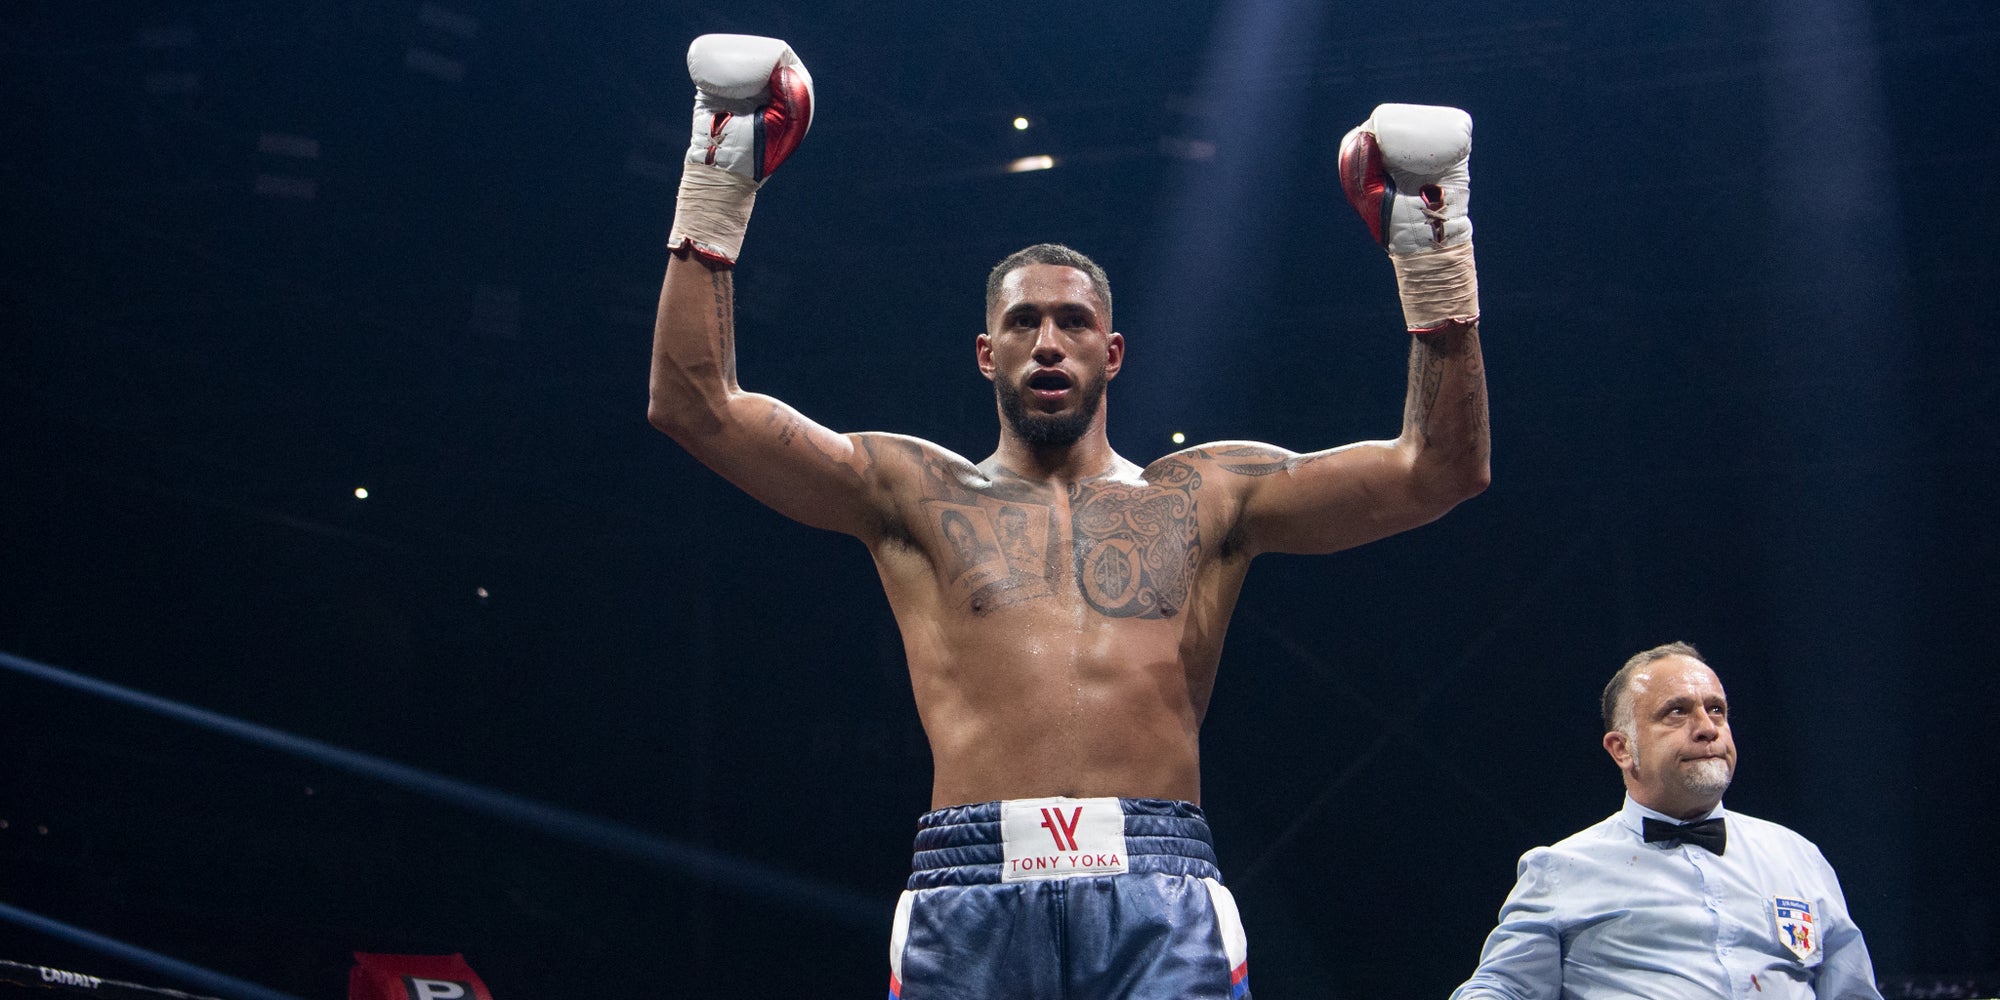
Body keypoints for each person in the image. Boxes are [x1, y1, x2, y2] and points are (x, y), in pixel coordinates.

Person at [648, 34, 1490, 1000]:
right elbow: (694, 405)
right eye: (1023, 323)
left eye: (1075, 322)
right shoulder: (912, 492)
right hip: (970, 884)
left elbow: (1441, 470)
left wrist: (1436, 259)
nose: (1049, 341)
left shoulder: (1208, 494)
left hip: (1157, 882)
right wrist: (716, 181)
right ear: (985, 353)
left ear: (1114, 352)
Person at [1448, 642, 1883, 1000]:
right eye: (1677, 712)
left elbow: (1853, 993)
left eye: (1716, 710)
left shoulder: (1797, 856)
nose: (1707, 728)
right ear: (1622, 749)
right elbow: (1502, 988)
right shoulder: (1561, 868)